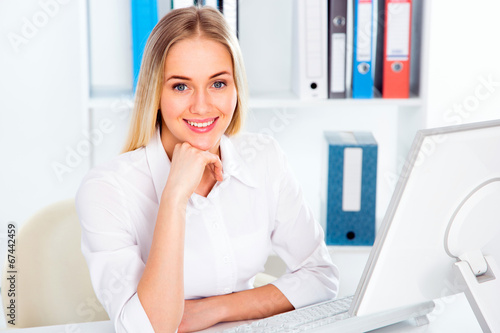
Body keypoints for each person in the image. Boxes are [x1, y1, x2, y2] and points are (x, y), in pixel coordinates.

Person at [75, 5, 339, 333]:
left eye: (218, 84)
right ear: (155, 93)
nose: (202, 106)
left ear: (236, 88)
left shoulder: (264, 158)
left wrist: (212, 310)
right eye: (181, 86)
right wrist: (173, 197)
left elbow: (321, 276)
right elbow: (147, 328)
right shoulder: (106, 190)